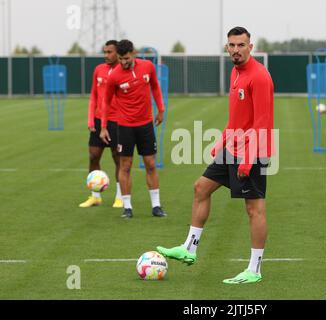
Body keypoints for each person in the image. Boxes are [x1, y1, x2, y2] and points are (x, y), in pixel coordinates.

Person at [157, 27, 274, 284]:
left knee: (254, 209)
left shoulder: (260, 77)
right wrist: (221, 141)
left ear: (250, 47)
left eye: (241, 45)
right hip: (232, 148)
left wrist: (248, 158)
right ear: (227, 47)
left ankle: (254, 269)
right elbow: (236, 118)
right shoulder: (235, 71)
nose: (235, 50)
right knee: (201, 188)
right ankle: (190, 247)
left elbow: (263, 123)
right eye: (231, 45)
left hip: (253, 151)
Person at [100, 40, 167, 219]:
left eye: (126, 58)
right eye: (121, 59)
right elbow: (105, 102)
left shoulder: (147, 67)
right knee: (125, 166)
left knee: (150, 164)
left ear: (134, 53)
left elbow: (155, 87)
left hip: (145, 125)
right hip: (125, 127)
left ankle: (156, 206)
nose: (123, 62)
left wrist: (160, 109)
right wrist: (104, 126)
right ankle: (127, 207)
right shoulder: (114, 75)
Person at [79, 40, 123, 208]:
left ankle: (120, 197)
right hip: (98, 120)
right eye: (104, 52)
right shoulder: (99, 69)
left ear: (117, 53)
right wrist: (91, 119)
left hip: (116, 121)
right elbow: (93, 96)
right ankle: (95, 196)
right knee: (93, 156)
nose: (106, 55)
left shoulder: (122, 71)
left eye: (109, 52)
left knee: (117, 158)